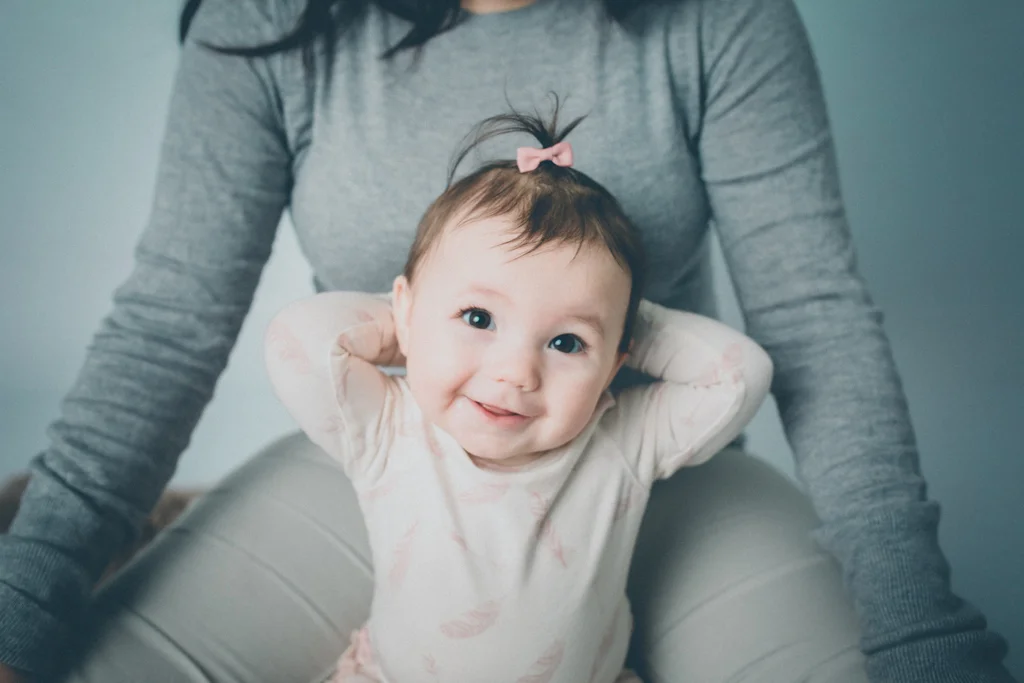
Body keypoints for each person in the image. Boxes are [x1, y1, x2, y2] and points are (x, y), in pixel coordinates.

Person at [0, 0, 1014, 681]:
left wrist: (916, 623)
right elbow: (169, 327)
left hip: (663, 475)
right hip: (384, 467)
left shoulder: (719, 17)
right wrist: (26, 590)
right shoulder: (267, 22)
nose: (513, 366)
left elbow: (812, 325)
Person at [263, 107, 773, 682]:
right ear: (406, 310)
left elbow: (741, 374)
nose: (516, 373)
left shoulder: (624, 440)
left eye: (565, 342)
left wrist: (618, 316)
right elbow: (296, 340)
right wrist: (415, 325)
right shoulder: (389, 425)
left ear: (615, 362)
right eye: (478, 317)